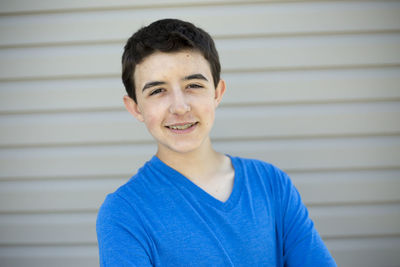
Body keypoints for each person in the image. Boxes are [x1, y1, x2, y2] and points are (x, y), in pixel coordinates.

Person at [96, 18, 336, 266]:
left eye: (194, 85)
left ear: (217, 93)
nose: (179, 107)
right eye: (157, 91)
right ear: (135, 108)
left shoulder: (271, 184)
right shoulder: (124, 213)